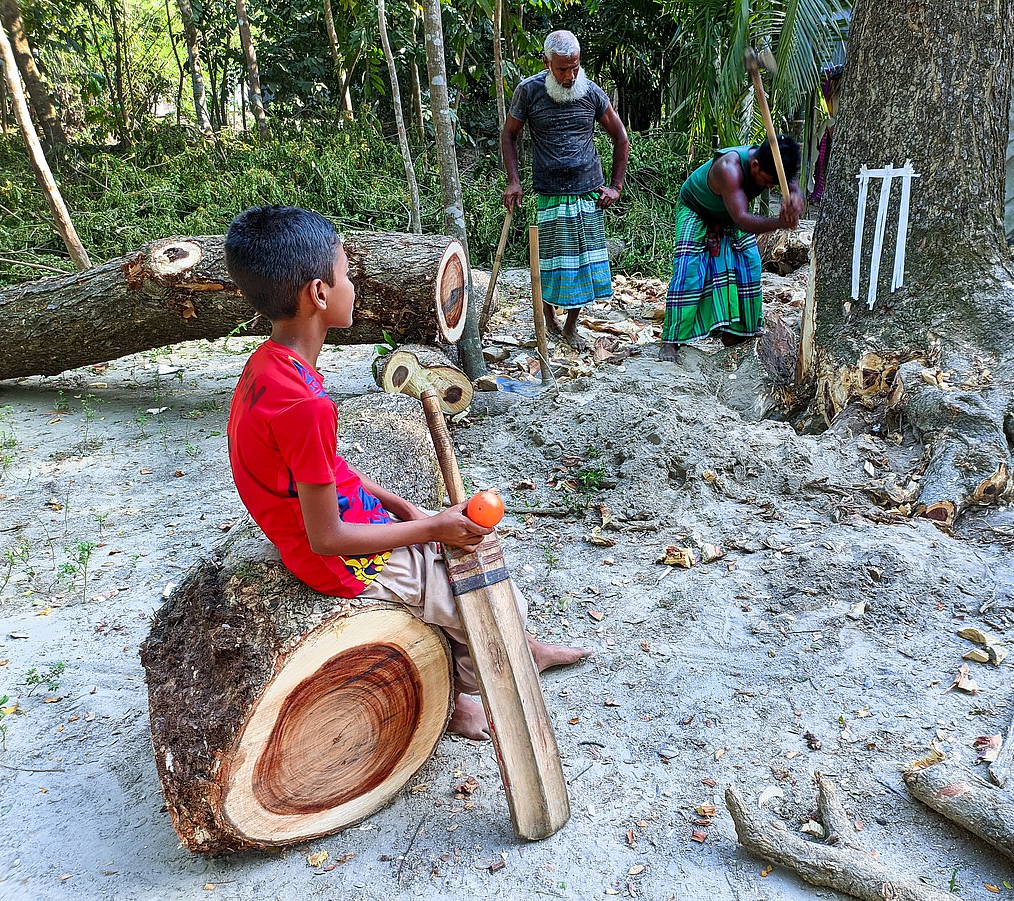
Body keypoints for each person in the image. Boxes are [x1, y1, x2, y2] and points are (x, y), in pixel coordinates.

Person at [224, 206, 586, 741]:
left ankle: (525, 645)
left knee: (465, 555)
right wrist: (432, 529)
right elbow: (328, 538)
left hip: (341, 524)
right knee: (479, 598)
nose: (353, 286)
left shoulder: (268, 366)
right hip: (341, 563)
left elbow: (324, 471)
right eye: (347, 275)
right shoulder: (304, 404)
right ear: (319, 295)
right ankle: (458, 699)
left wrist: (404, 508)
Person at [501, 29, 629, 350]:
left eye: (575, 67)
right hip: (550, 192)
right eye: (562, 69)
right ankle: (548, 316)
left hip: (588, 191)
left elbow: (621, 137)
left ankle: (571, 325)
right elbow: (509, 136)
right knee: (551, 262)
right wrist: (513, 180)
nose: (571, 75)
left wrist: (615, 186)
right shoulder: (528, 92)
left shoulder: (591, 92)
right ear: (547, 62)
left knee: (582, 265)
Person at [660, 136, 804, 364]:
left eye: (775, 184)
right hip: (698, 209)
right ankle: (671, 340)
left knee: (749, 263)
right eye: (767, 181)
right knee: (688, 270)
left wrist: (796, 197)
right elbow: (743, 221)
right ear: (755, 165)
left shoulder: (776, 164)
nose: (769, 187)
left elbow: (793, 183)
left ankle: (737, 332)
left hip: (730, 214)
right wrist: (780, 222)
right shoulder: (729, 168)